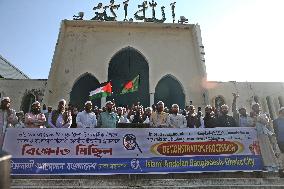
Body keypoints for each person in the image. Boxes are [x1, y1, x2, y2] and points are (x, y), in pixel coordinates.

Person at [249, 103, 281, 172]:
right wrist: (254, 121)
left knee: (267, 150)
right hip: (256, 136)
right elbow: (251, 125)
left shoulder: (263, 115)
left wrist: (257, 117)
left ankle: (272, 165)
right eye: (254, 107)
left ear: (259, 108)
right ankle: (264, 165)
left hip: (263, 135)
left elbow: (266, 122)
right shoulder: (252, 117)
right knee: (259, 151)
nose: (255, 108)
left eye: (256, 107)